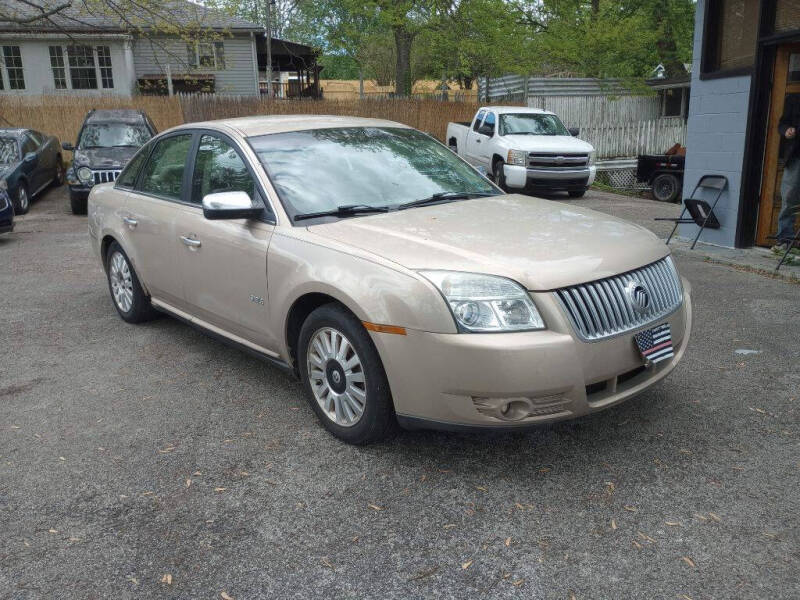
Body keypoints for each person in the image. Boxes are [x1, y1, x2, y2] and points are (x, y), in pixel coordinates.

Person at [775, 93, 800, 252]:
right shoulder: (794, 99)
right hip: (796, 156)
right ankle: (785, 239)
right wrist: (786, 130)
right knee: (789, 196)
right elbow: (782, 123)